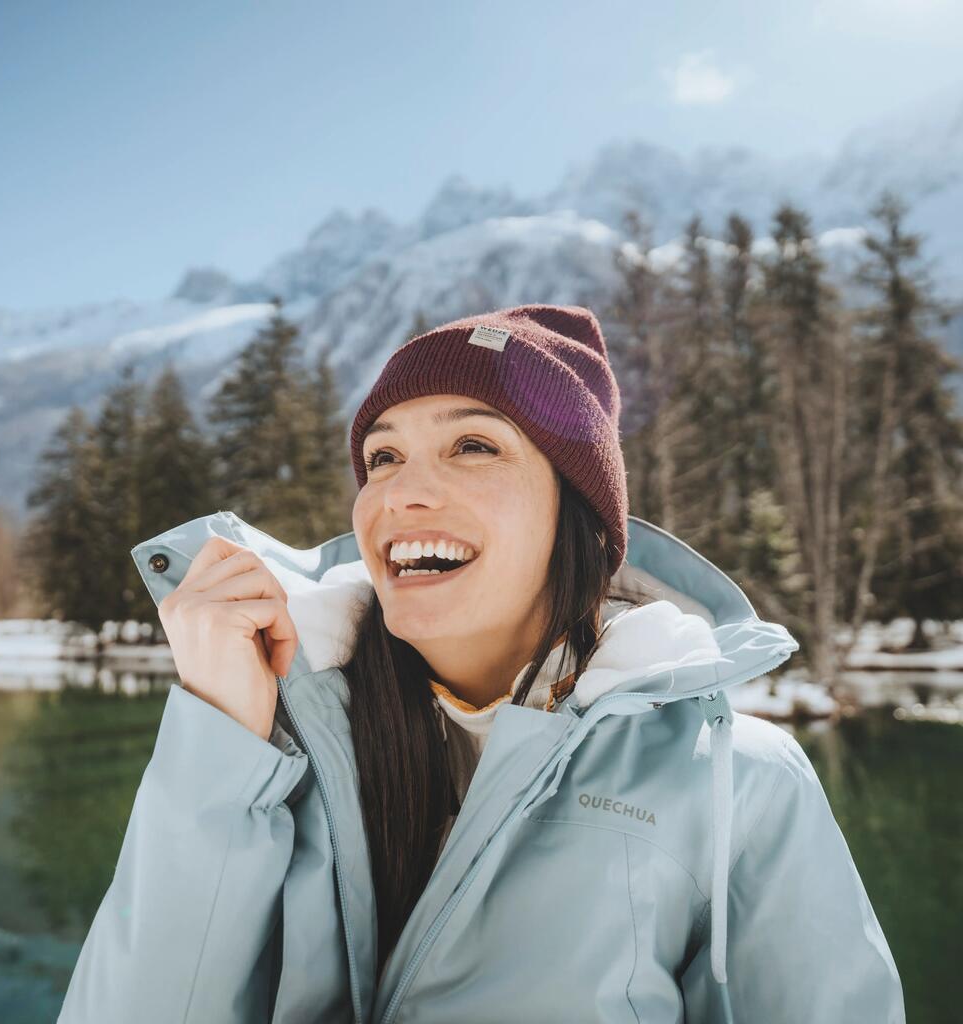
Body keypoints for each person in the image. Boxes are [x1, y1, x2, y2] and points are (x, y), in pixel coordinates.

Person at [57, 304, 906, 1024]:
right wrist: (217, 739)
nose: (400, 493)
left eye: (474, 446)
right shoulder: (271, 751)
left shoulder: (739, 780)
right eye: (383, 456)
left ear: (576, 520)